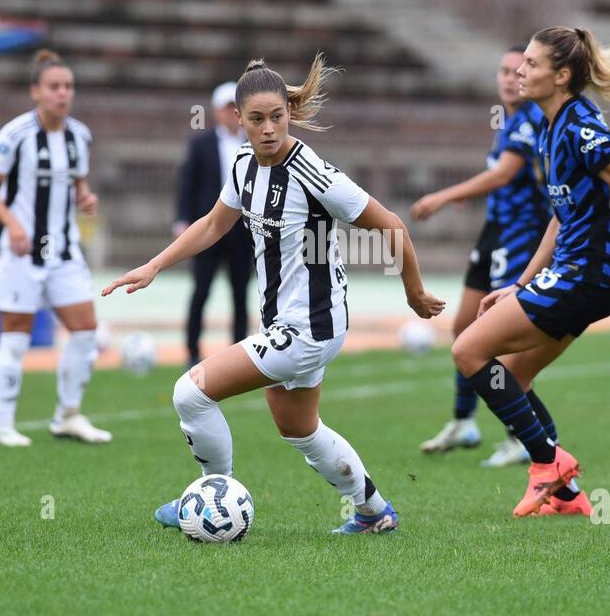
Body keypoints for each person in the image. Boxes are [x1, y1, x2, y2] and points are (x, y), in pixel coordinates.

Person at [103, 55, 445, 534]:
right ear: (237, 119)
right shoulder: (244, 165)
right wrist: (155, 265)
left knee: (190, 393)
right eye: (257, 119)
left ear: (289, 112)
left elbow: (390, 224)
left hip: (309, 326)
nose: (268, 129)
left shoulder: (314, 173)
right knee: (300, 429)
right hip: (290, 322)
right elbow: (212, 225)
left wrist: (415, 292)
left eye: (277, 117)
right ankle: (373, 511)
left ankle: (210, 497)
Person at [450, 10, 610, 517]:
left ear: (560, 76)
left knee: (468, 351)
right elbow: (562, 218)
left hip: (587, 277)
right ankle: (565, 496)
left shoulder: (581, 131)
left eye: (531, 63)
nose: (519, 71)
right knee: (513, 378)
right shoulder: (551, 126)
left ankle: (547, 465)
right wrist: (519, 283)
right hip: (579, 275)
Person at [411, 45, 551, 467]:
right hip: (494, 232)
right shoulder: (507, 122)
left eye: (518, 70)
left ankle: (520, 435)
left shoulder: (529, 121)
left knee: (493, 340)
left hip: (521, 237)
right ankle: (463, 421)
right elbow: (502, 180)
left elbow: (504, 173)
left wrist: (444, 195)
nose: (510, 78)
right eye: (504, 71)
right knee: (462, 326)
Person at [0, 49, 111, 447]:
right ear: (35, 91)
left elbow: (79, 185)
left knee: (85, 331)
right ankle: (3, 426)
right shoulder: (14, 135)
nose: (63, 94)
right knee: (15, 338)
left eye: (68, 86)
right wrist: (13, 224)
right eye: (54, 87)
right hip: (19, 253)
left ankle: (67, 415)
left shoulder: (79, 135)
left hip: (64, 252)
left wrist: (86, 199)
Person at [174, 81, 252, 368]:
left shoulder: (254, 142)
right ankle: (192, 351)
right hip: (209, 227)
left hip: (243, 231)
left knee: (241, 292)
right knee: (201, 290)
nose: (232, 113)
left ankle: (239, 355)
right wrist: (182, 219)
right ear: (216, 112)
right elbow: (187, 183)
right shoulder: (201, 144)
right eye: (226, 108)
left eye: (236, 107)